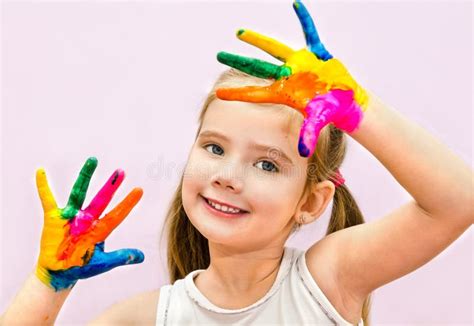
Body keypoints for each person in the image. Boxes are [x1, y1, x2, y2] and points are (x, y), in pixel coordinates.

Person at [1, 1, 472, 325]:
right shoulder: (146, 318)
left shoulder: (327, 281)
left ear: (310, 202)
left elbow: (456, 201)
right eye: (214, 148)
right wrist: (49, 282)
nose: (227, 176)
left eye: (267, 165)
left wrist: (358, 110)